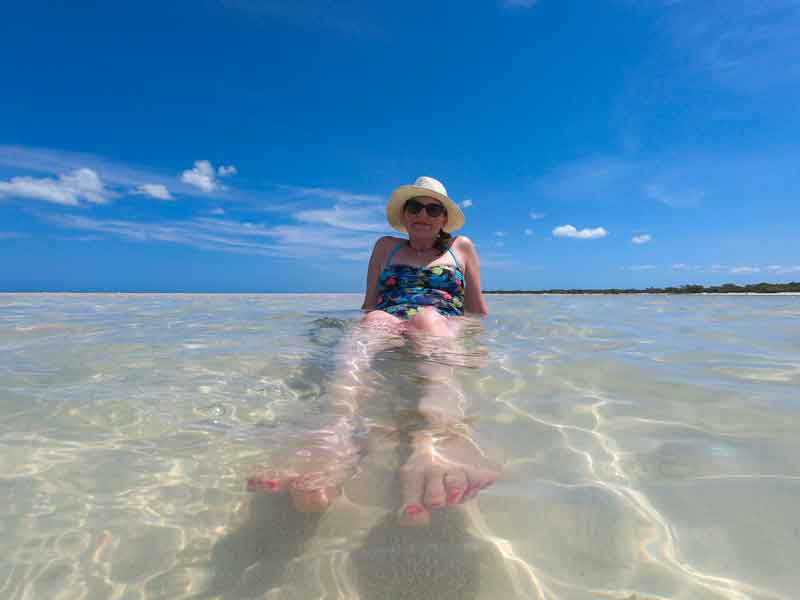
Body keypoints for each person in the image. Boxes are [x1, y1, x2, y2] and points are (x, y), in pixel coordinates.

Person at [248, 176, 501, 526]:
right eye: (414, 207)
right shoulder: (386, 246)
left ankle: (434, 440)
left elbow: (476, 309)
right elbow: (369, 304)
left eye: (432, 208)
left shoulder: (462, 247)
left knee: (428, 318)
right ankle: (334, 433)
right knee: (375, 321)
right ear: (404, 214)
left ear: (444, 218)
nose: (422, 214)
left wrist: (478, 347)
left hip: (441, 321)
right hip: (390, 320)